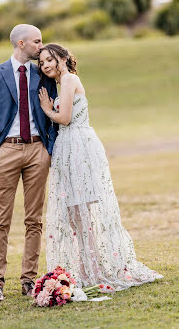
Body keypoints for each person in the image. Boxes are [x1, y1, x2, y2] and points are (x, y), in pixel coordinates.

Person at [38, 43, 163, 291]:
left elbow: (64, 118)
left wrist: (47, 109)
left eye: (49, 59)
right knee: (76, 215)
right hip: (69, 146)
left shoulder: (70, 79)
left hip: (78, 146)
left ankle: (94, 270)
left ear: (62, 58)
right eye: (41, 63)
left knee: (82, 212)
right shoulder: (64, 82)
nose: (45, 66)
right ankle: (88, 269)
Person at [0, 25, 58, 303]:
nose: (41, 47)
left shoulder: (43, 74)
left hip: (38, 151)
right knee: (1, 221)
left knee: (34, 220)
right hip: (6, 152)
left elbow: (53, 111)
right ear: (21, 43)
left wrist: (49, 149)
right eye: (37, 42)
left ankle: (29, 280)